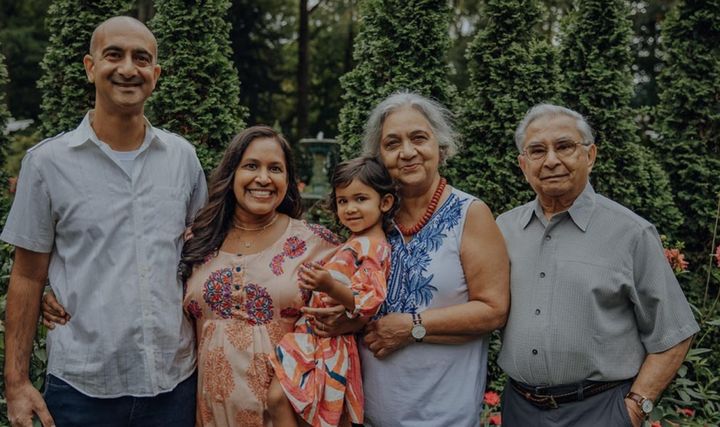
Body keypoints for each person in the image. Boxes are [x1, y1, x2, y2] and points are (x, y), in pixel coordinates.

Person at [2, 16, 207, 427]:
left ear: (156, 74)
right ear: (90, 67)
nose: (128, 68)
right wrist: (17, 384)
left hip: (174, 384)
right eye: (114, 55)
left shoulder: (182, 158)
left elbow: (202, 255)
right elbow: (26, 277)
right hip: (82, 388)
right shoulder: (47, 164)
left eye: (141, 58)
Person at [306, 91, 510, 427]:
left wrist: (412, 327)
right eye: (392, 143)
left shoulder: (469, 214)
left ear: (440, 147)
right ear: (379, 157)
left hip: (443, 416)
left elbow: (493, 310)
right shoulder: (369, 218)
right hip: (365, 413)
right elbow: (366, 302)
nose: (407, 152)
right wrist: (347, 320)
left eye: (419, 138)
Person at [497, 104, 699, 427]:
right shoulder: (503, 230)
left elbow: (674, 332)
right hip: (520, 410)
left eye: (564, 146)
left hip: (601, 411)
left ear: (590, 156)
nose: (551, 160)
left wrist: (634, 408)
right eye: (537, 150)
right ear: (523, 165)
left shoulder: (631, 233)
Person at [179, 125, 342, 426]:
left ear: (288, 180)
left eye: (275, 169)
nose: (263, 178)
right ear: (232, 175)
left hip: (286, 415)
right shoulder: (198, 241)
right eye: (251, 166)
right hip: (208, 415)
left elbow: (354, 310)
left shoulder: (317, 244)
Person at [268, 156, 398, 427]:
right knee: (287, 400)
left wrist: (328, 285)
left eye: (360, 199)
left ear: (384, 203)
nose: (350, 208)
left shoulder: (374, 248)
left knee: (286, 399)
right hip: (316, 336)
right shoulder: (357, 241)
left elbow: (369, 298)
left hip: (329, 340)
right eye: (343, 201)